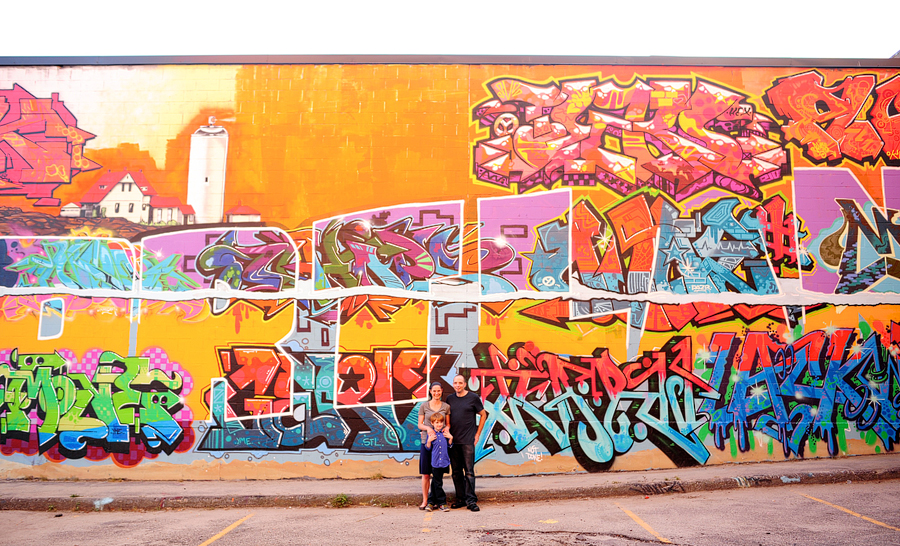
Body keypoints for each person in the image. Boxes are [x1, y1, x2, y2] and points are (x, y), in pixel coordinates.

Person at [445, 373, 486, 512]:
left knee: (469, 472)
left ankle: (471, 501)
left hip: (468, 440)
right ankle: (461, 499)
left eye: (460, 383)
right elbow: (447, 419)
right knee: (456, 472)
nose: (457, 385)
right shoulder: (450, 399)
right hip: (453, 441)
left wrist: (477, 433)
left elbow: (483, 414)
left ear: (465, 384)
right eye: (455, 383)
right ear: (453, 384)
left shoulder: (473, 398)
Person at [417, 382, 450, 510]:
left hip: (440, 444)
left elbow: (448, 424)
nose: (436, 393)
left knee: (437, 475)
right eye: (434, 391)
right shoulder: (424, 406)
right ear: (430, 391)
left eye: (439, 391)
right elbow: (420, 424)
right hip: (427, 442)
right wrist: (428, 429)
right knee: (426, 473)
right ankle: (425, 501)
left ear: (442, 391)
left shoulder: (446, 407)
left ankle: (435, 501)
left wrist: (446, 431)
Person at [424, 412, 453, 512]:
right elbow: (428, 448)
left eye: (441, 422)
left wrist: (450, 438)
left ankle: (431, 502)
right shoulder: (431, 434)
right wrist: (429, 441)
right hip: (436, 462)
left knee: (436, 482)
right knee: (438, 482)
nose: (439, 424)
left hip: (444, 461)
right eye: (437, 422)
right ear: (432, 423)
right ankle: (442, 502)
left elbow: (449, 446)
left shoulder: (445, 434)